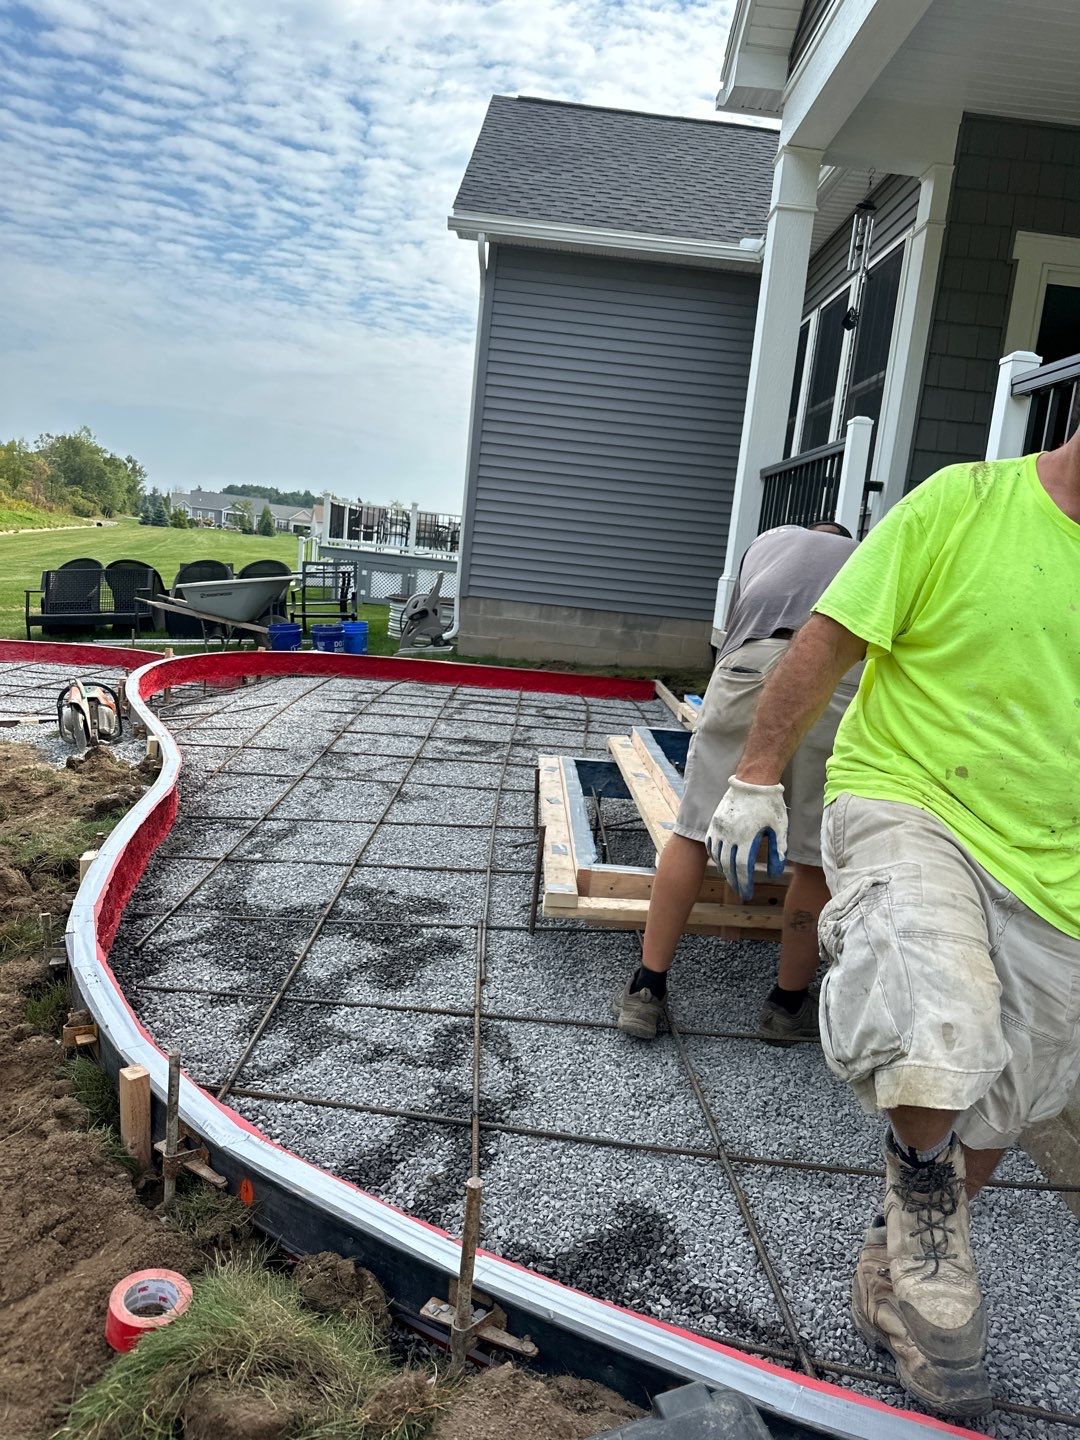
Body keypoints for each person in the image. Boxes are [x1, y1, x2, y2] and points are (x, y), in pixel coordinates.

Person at [705, 439, 1080, 1415]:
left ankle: (899, 1246)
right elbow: (829, 635)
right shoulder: (964, 506)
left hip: (1060, 865)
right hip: (911, 805)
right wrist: (753, 777)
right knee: (939, 1012)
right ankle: (925, 1209)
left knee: (1013, 1087)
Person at [613, 519, 861, 1043]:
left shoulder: (768, 544)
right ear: (845, 536)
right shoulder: (868, 553)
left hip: (747, 663)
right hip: (837, 679)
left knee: (692, 831)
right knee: (813, 857)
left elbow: (732, 629)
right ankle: (785, 1006)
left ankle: (646, 990)